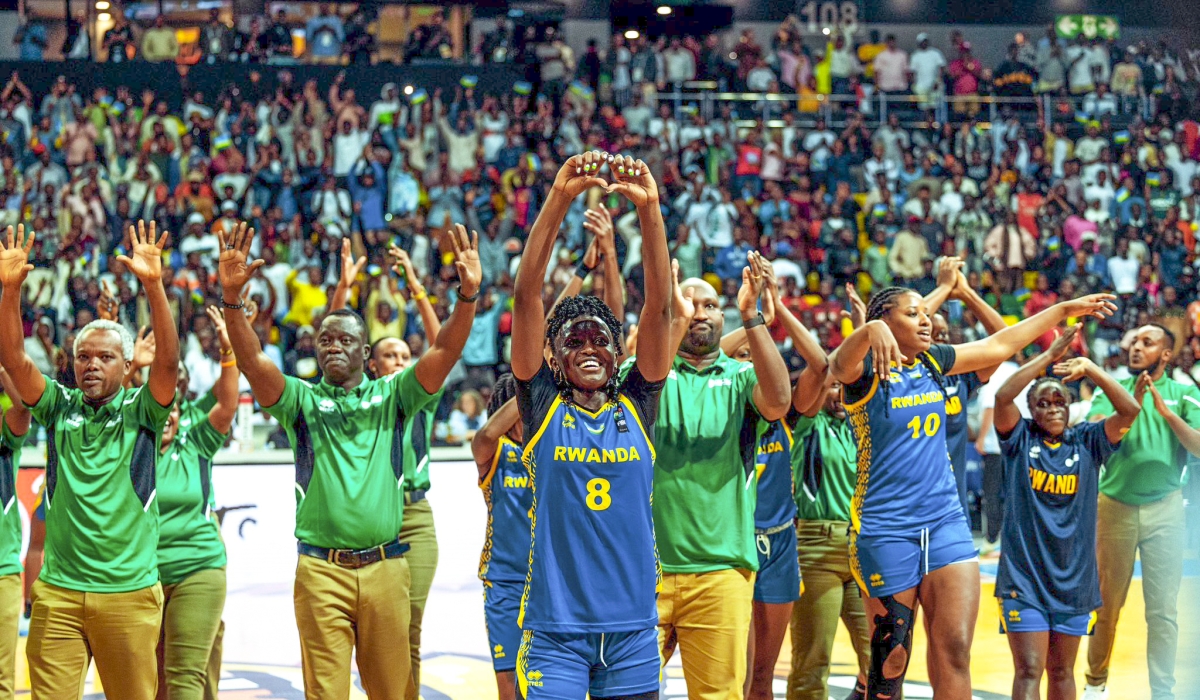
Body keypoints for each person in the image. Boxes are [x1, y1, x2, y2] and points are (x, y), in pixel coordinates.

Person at [216, 220, 481, 700]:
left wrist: (467, 296)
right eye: (325, 341)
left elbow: (445, 349)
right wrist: (233, 303)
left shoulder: (395, 394)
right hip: (320, 572)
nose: (333, 347)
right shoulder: (299, 400)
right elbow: (254, 363)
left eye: (344, 341)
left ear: (366, 352)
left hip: (386, 566)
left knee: (394, 692)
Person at [826, 284, 1116, 699]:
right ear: (885, 320)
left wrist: (1062, 308)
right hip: (886, 528)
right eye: (913, 313)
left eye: (927, 313)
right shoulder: (865, 371)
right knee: (891, 659)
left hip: (945, 522)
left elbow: (999, 344)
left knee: (956, 651)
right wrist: (866, 330)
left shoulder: (934, 361)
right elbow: (837, 364)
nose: (925, 320)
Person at [509, 150, 671, 698]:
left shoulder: (638, 403)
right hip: (555, 632)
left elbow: (660, 312)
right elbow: (527, 296)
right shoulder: (541, 406)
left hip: (633, 631)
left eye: (599, 338)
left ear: (617, 349)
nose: (588, 347)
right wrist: (559, 197)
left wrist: (650, 213)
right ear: (552, 356)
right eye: (572, 340)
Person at [0, 222, 180, 699]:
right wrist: (11, 290)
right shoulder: (58, 405)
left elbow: (167, 364)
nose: (92, 365)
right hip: (58, 594)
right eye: (83, 356)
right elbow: (15, 362)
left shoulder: (144, 410)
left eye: (104, 357)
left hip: (128, 593)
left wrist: (154, 286)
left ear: (126, 366)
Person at [653, 230, 792, 698]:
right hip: (642, 569)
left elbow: (779, 401)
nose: (699, 312)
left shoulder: (740, 377)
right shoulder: (643, 377)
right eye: (688, 303)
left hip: (721, 570)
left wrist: (753, 318)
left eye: (710, 304)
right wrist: (670, 316)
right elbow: (644, 366)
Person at [993, 325, 1142, 700]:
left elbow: (1130, 409)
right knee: (1029, 669)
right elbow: (1003, 395)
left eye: (1060, 401)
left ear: (1070, 406)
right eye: (1044, 403)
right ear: (1031, 410)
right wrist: (1048, 359)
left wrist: (1091, 368)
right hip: (1024, 579)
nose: (1054, 408)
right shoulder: (1019, 437)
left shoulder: (1088, 440)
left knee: (1062, 672)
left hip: (1074, 580)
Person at [330, 238, 445, 700]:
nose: (402, 362)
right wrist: (343, 290)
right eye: (391, 357)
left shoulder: (419, 395)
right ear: (370, 365)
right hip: (366, 518)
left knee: (407, 629)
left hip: (413, 517)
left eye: (405, 355)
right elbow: (332, 342)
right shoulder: (352, 399)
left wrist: (416, 286)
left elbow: (443, 345)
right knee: (376, 634)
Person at [717, 262, 827, 700]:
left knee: (762, 677)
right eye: (742, 360)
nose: (750, 368)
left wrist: (776, 310)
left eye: (756, 361)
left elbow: (820, 364)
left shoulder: (785, 415)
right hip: (729, 543)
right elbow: (706, 358)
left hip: (779, 544)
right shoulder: (719, 411)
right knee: (732, 675)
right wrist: (750, 322)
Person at [1084, 324, 1200, 700]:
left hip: (1166, 509)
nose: (1136, 347)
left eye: (1147, 343)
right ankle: (1095, 683)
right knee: (1106, 606)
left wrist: (1168, 415)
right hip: (1114, 507)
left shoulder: (1184, 394)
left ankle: (1163, 692)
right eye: (1134, 341)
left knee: (1163, 612)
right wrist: (1127, 407)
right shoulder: (1110, 391)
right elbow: (1094, 434)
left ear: (1166, 355)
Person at [155, 306, 240, 700]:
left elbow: (226, 402)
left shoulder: (196, 434)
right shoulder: (127, 442)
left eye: (176, 398)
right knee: (148, 680)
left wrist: (229, 350)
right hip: (140, 575)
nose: (169, 412)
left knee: (190, 676)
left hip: (197, 566)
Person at [786, 378, 870, 700]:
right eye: (833, 386)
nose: (840, 394)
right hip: (817, 546)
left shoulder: (860, 428)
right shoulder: (806, 424)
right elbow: (818, 370)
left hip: (862, 547)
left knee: (882, 659)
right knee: (813, 661)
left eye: (844, 387)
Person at [470, 374, 527, 700]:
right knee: (509, 687)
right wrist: (535, 384)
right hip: (505, 581)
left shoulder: (555, 444)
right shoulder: (492, 450)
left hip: (552, 582)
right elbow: (488, 432)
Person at [0, 369, 29, 699]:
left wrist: (2, 366)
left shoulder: (6, 446)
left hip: (3, 576)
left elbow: (23, 404)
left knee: (2, 679)